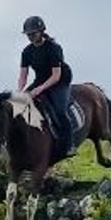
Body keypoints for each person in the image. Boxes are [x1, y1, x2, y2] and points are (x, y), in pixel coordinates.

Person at [17, 15, 76, 157]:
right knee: (19, 106)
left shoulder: (54, 48)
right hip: (41, 78)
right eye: (28, 34)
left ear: (41, 31)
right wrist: (20, 92)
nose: (30, 37)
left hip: (59, 80)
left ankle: (69, 144)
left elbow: (56, 76)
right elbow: (23, 75)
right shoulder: (26, 52)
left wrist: (39, 89)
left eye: (33, 34)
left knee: (60, 111)